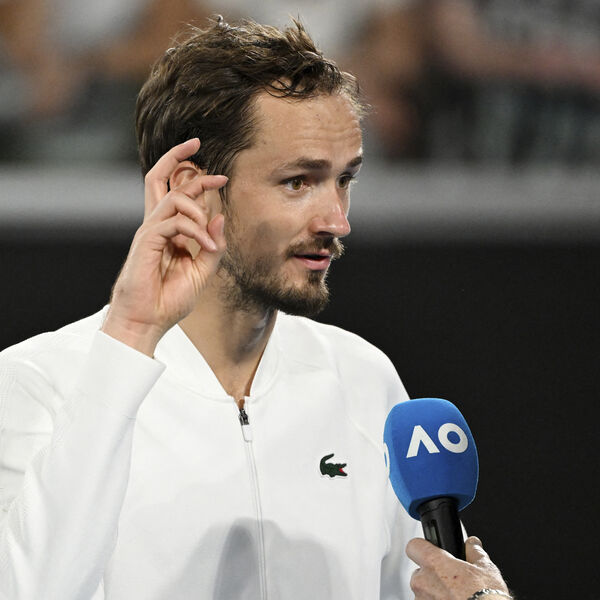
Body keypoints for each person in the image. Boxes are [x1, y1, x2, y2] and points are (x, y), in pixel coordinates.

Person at [0, 16, 510, 599]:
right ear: (193, 189)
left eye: (344, 180)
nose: (337, 221)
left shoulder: (365, 378)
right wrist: (133, 333)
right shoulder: (35, 384)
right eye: (298, 182)